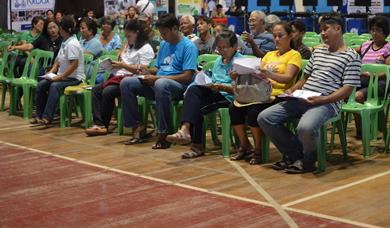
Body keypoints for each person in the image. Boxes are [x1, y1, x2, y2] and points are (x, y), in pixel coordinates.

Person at [258, 13, 361, 173]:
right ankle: (295, 154)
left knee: (305, 128)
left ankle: (308, 161)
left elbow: (348, 89)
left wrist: (322, 100)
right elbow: (305, 77)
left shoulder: (351, 56)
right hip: (302, 97)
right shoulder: (318, 53)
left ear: (338, 29)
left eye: (325, 29)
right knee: (265, 118)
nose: (322, 33)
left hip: (326, 103)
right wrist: (293, 90)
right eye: (321, 30)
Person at [120, 13, 198, 148]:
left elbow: (187, 77)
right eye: (161, 33)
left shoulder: (188, 46)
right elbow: (157, 68)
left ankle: (163, 133)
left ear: (175, 28)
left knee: (162, 84)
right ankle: (137, 125)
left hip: (177, 87)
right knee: (126, 83)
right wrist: (146, 72)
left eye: (165, 33)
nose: (162, 36)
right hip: (158, 83)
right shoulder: (163, 44)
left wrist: (157, 78)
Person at [229, 21, 302, 165]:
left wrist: (269, 74)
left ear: (290, 36)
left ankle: (258, 148)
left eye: (280, 36)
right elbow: (255, 72)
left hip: (279, 96)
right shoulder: (269, 55)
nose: (277, 39)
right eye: (274, 36)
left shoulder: (294, 55)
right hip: (261, 94)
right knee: (234, 108)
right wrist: (238, 74)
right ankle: (245, 144)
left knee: (254, 110)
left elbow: (288, 78)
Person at [166, 30, 245, 158]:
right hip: (216, 91)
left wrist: (223, 87)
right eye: (219, 47)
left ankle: (196, 146)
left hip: (230, 96)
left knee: (197, 108)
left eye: (225, 47)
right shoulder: (219, 61)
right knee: (193, 90)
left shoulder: (241, 61)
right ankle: (185, 129)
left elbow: (242, 89)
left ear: (235, 46)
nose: (221, 50)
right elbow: (214, 81)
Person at [85, 19, 154, 136]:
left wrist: (123, 65)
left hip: (133, 80)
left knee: (107, 91)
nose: (127, 39)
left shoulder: (146, 48)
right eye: (126, 36)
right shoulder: (129, 45)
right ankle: (98, 123)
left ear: (137, 32)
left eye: (129, 36)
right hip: (119, 76)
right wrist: (114, 65)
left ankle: (104, 125)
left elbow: (143, 71)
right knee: (96, 90)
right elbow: (123, 57)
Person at [32, 16, 85, 125]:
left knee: (54, 86)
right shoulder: (65, 42)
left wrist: (60, 77)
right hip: (64, 76)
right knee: (41, 85)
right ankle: (39, 115)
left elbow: (74, 65)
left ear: (61, 29)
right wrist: (51, 72)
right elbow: (58, 61)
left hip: (74, 78)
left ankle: (47, 117)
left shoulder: (72, 44)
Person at [352, 16, 390, 139]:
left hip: (381, 84)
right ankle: (361, 128)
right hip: (364, 81)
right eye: (372, 30)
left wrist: (373, 75)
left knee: (357, 97)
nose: (375, 33)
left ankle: (366, 129)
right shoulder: (366, 46)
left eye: (378, 30)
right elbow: (350, 52)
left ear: (385, 32)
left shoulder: (389, 48)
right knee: (346, 93)